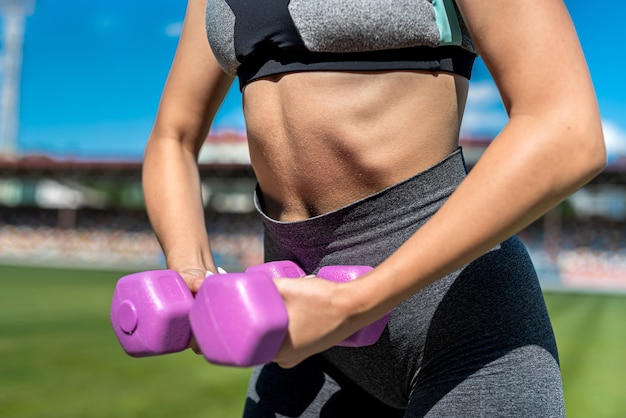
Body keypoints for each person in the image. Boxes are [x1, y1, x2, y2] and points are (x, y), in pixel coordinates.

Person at [142, 0, 606, 416]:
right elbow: (173, 137)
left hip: (455, 319)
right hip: (303, 323)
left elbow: (566, 129)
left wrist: (354, 304)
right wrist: (191, 273)